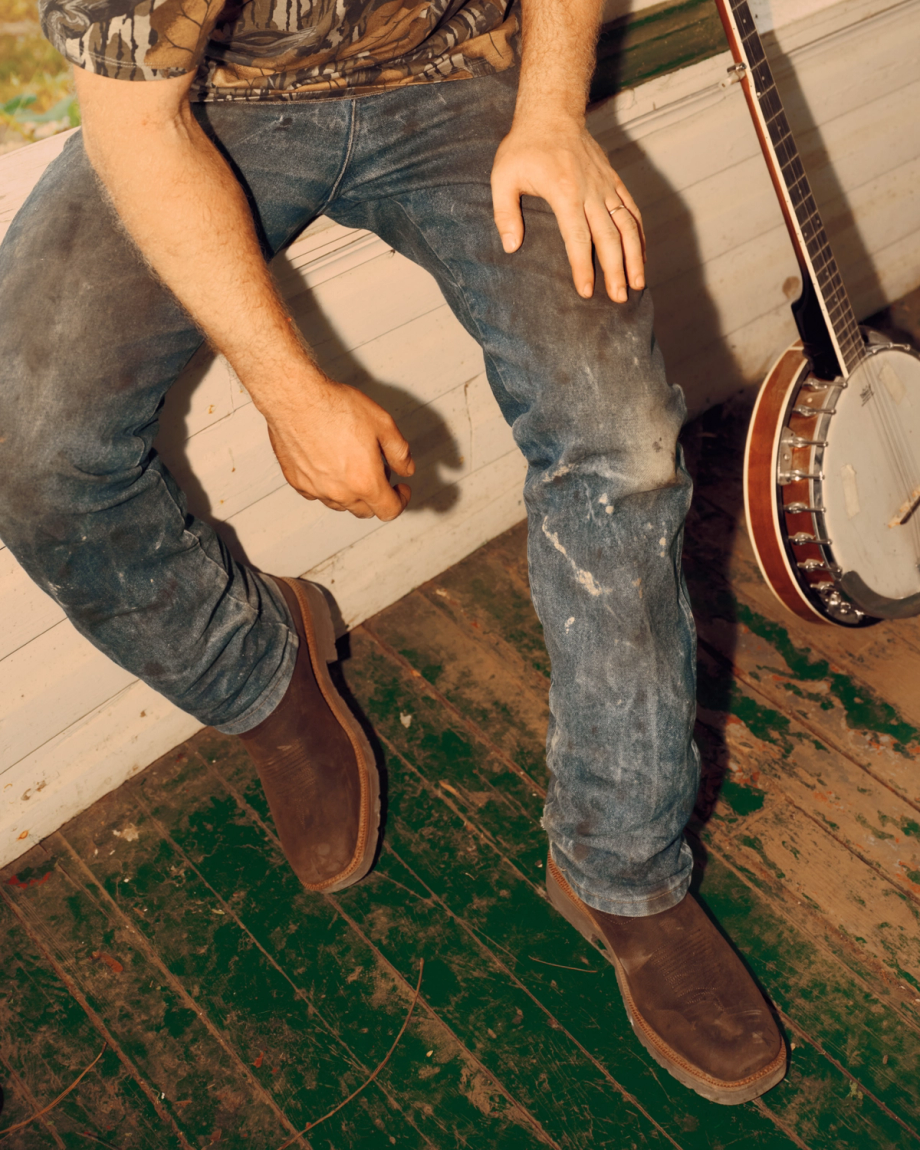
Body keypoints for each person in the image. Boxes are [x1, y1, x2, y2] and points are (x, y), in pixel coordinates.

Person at [0, 0, 786, 1105]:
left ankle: (620, 866)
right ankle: (264, 677)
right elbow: (137, 125)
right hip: (209, 106)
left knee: (620, 442)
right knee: (27, 446)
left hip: (454, 71)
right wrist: (288, 389)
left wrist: (553, 111)